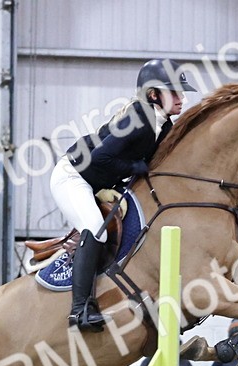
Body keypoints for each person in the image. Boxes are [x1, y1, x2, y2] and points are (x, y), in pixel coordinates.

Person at [52, 58, 196, 332]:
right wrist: (133, 167)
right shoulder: (137, 118)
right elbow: (100, 157)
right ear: (154, 94)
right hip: (74, 176)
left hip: (103, 180)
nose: (182, 98)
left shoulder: (163, 125)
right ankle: (80, 310)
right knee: (95, 229)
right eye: (174, 92)